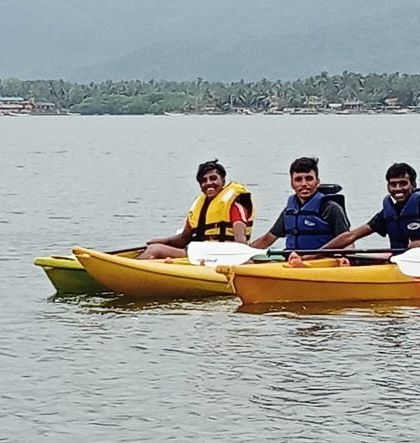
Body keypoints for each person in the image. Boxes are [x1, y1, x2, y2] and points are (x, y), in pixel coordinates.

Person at [138, 159, 255, 259]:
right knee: (153, 247)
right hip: (199, 253)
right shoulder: (198, 206)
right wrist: (161, 241)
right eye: (204, 180)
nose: (209, 183)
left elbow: (241, 244)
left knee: (154, 251)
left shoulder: (234, 206)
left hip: (220, 257)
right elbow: (183, 238)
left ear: (223, 180)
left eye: (213, 178)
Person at [251, 157, 350, 251]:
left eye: (309, 179)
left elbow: (348, 240)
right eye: (298, 179)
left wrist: (347, 260)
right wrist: (243, 252)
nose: (304, 184)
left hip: (322, 262)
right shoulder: (289, 211)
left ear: (317, 182)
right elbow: (267, 239)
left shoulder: (331, 208)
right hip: (293, 260)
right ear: (292, 183)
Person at [321, 162, 420, 250]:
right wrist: (319, 252)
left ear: (413, 185)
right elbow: (351, 236)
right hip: (401, 262)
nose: (398, 189)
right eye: (393, 184)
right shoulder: (388, 213)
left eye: (403, 184)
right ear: (388, 187)